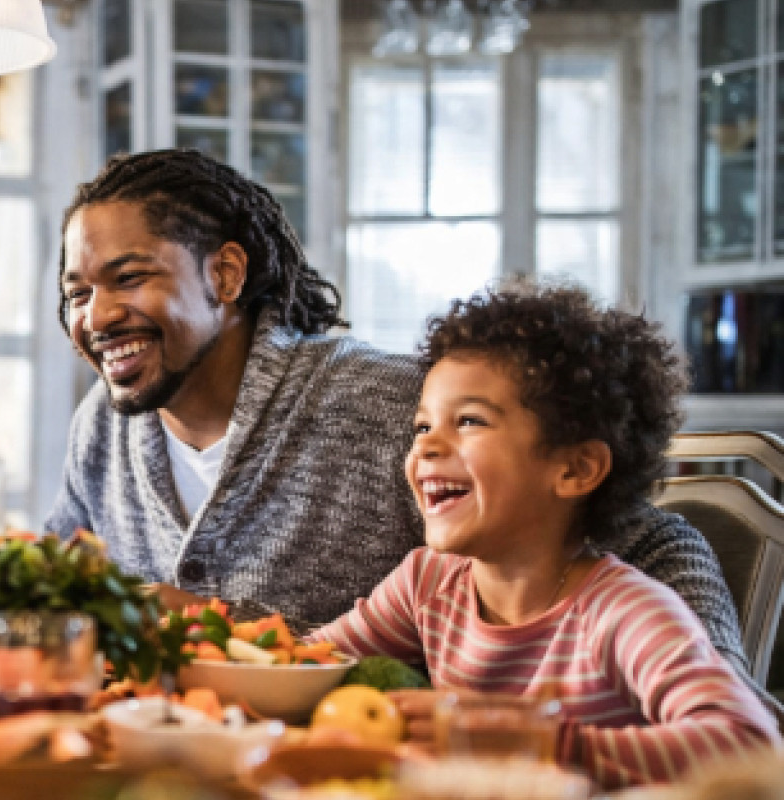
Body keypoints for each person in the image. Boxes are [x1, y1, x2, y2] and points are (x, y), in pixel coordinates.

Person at [46, 148, 750, 676]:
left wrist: (713, 686)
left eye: (129, 277)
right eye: (77, 293)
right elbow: (51, 572)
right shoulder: (102, 427)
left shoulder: (392, 407)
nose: (97, 316)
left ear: (225, 275)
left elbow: (657, 546)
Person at [303, 284, 779, 787]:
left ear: (575, 469)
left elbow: (750, 747)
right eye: (422, 426)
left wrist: (543, 741)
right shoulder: (427, 583)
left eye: (469, 421)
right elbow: (302, 668)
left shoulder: (623, 611)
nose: (426, 447)